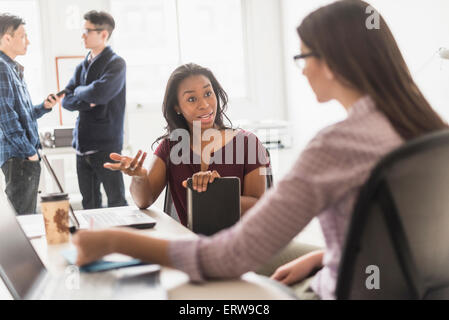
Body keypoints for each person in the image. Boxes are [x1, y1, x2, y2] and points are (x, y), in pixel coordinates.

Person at [72, 0, 448, 300]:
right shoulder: (428, 129)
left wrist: (112, 240)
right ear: (177, 108)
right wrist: (325, 257)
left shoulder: (333, 145)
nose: (301, 71)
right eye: (191, 98)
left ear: (332, 63)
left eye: (303, 58)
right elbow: (395, 233)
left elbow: (231, 257)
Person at [103, 63, 270, 226]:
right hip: (192, 247)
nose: (204, 105)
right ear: (177, 107)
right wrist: (139, 178)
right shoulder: (170, 148)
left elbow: (260, 205)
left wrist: (219, 194)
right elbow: (143, 201)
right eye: (191, 99)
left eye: (208, 93)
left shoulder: (248, 143)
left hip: (241, 246)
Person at [62, 10, 127, 210]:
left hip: (106, 147)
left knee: (117, 202)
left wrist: (79, 92)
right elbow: (66, 100)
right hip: (82, 146)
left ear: (104, 34)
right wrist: (86, 97)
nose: (82, 35)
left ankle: (122, 242)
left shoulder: (116, 63)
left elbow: (100, 93)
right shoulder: (82, 66)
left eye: (87, 31)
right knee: (89, 205)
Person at [0, 13, 63, 215]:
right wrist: (29, 152)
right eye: (23, 36)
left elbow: (22, 115)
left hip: (22, 156)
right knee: (23, 219)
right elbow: (5, 117)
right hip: (20, 157)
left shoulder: (11, 67)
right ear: (7, 38)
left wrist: (43, 106)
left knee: (26, 214)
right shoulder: (1, 68)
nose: (28, 41)